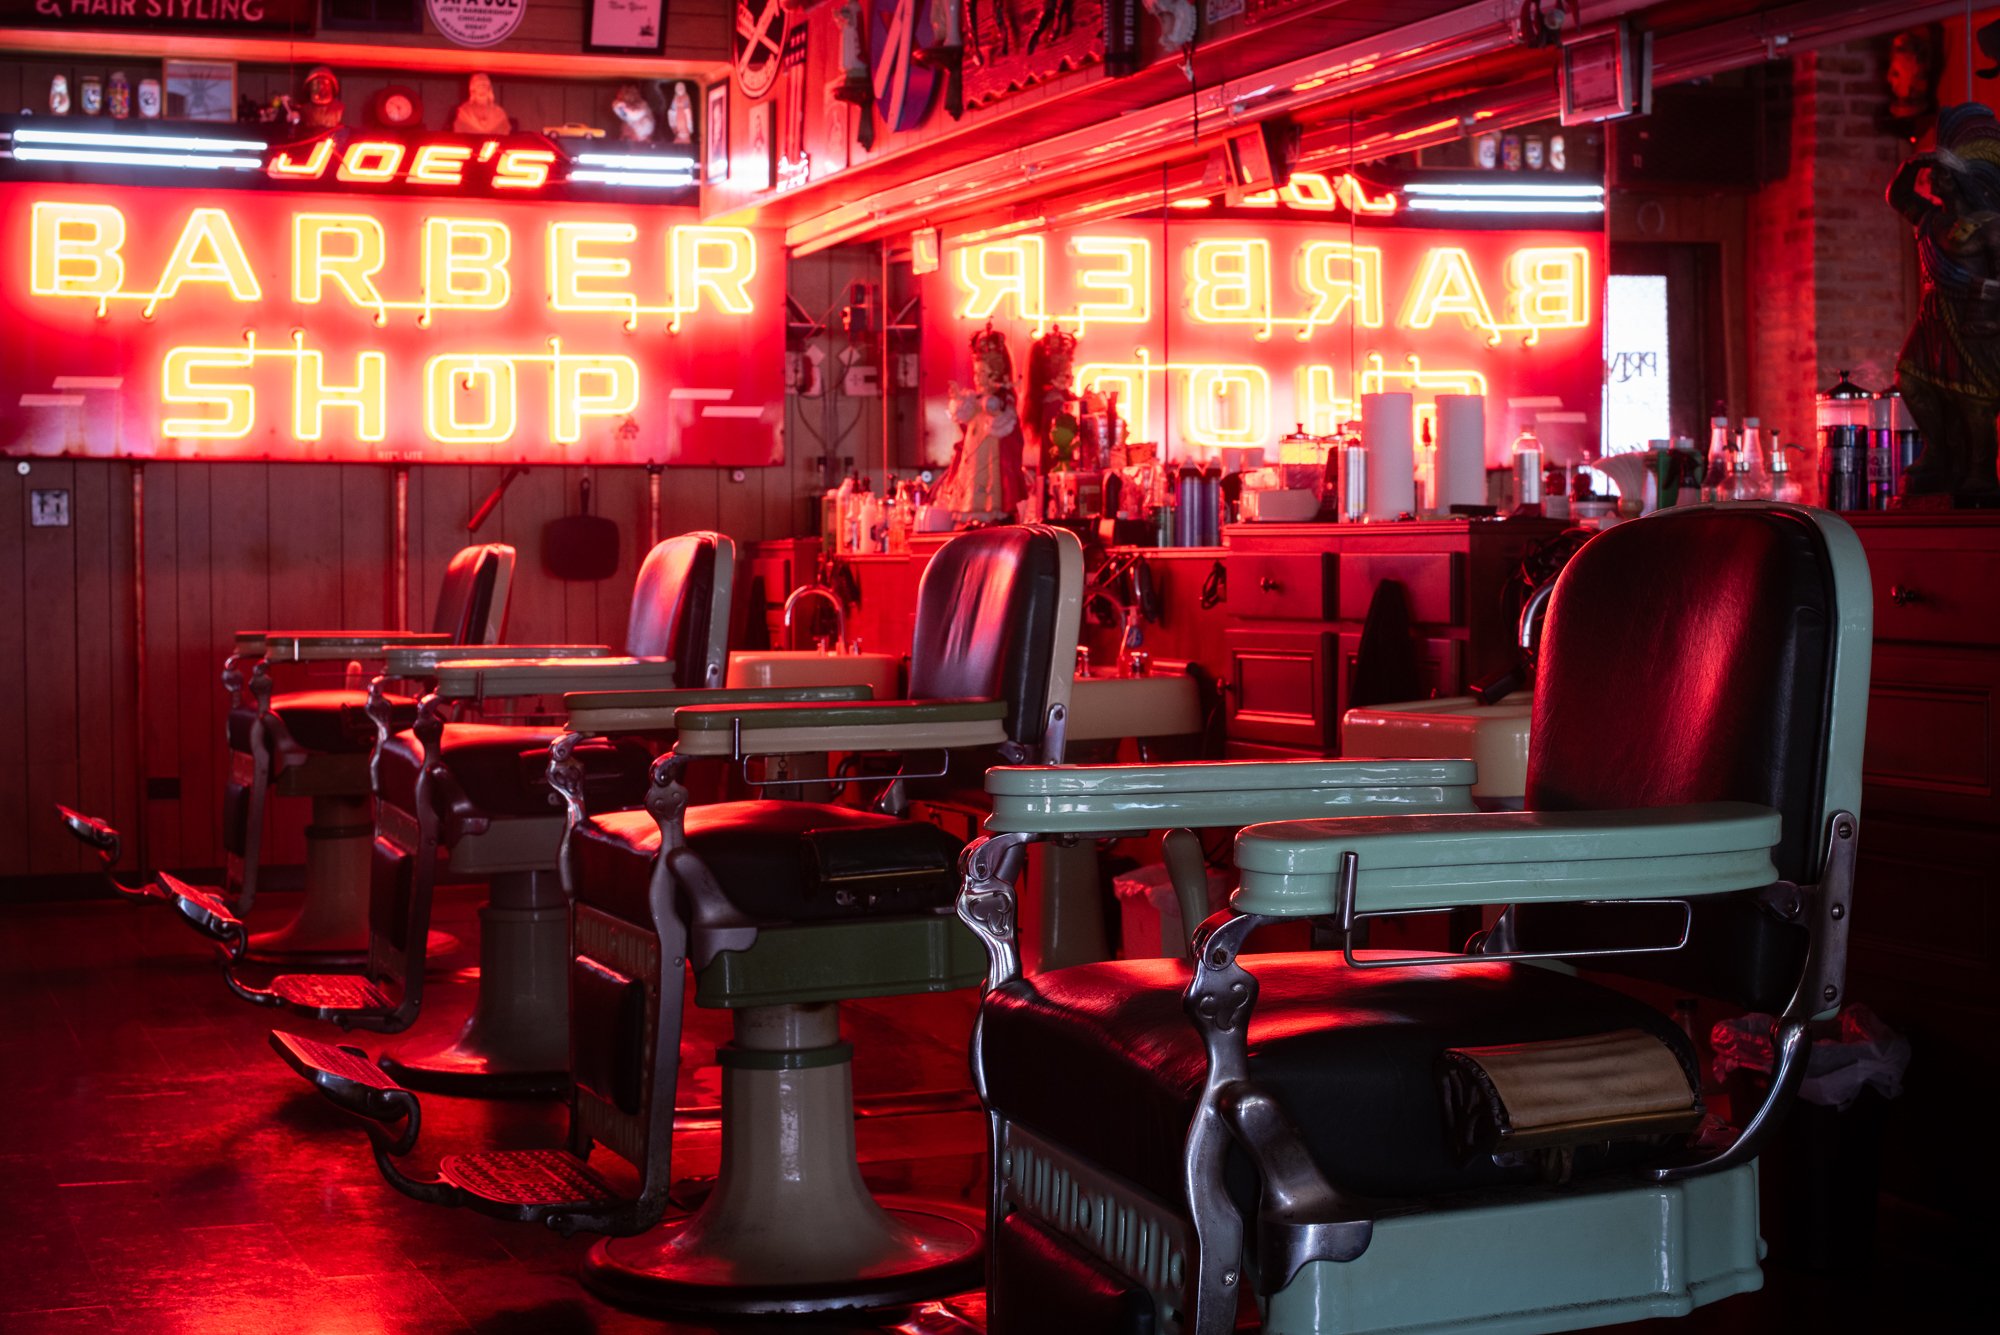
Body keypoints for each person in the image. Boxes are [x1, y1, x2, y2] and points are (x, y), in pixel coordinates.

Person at [1888, 103, 2000, 504]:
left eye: (1941, 172)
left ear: (1959, 181)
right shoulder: (1929, 219)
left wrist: (1983, 300)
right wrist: (1912, 164)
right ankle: (1938, 451)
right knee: (1911, 381)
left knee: (1975, 398)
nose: (1933, 178)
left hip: (1973, 320)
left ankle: (1980, 474)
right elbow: (1897, 196)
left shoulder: (1990, 224)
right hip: (1933, 315)